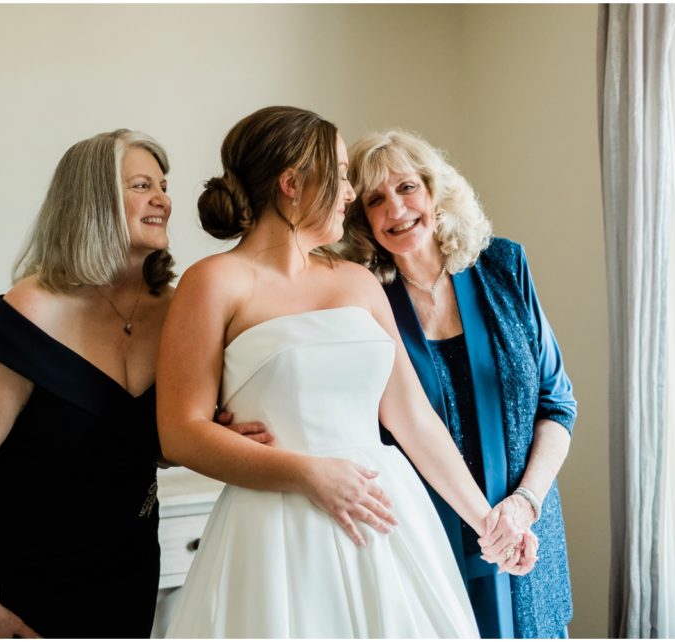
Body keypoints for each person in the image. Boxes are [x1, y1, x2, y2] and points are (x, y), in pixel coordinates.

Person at [156, 106, 537, 638]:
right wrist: (308, 473)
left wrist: (487, 522)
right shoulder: (213, 283)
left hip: (383, 517)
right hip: (277, 530)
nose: (351, 193)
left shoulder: (358, 282)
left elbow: (412, 417)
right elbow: (180, 432)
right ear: (292, 183)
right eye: (338, 175)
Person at [0, 129, 271, 638]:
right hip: (1, 567)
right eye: (141, 185)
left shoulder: (179, 311)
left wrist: (212, 438)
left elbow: (150, 443)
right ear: (92, 200)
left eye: (163, 185)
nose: (163, 199)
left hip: (120, 562)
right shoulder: (32, 308)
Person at [341, 128, 577, 638]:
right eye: (375, 199)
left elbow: (557, 405)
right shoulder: (362, 298)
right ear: (361, 220)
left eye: (406, 188)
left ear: (434, 192)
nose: (396, 210)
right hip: (424, 540)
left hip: (523, 534)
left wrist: (525, 503)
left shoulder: (504, 265)